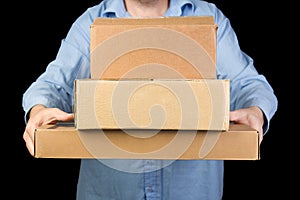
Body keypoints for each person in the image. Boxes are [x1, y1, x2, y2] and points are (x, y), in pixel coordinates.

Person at [22, 0, 278, 199]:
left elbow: (248, 83)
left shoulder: (207, 19)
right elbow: (54, 84)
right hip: (110, 193)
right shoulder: (93, 22)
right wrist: (39, 108)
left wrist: (256, 109)